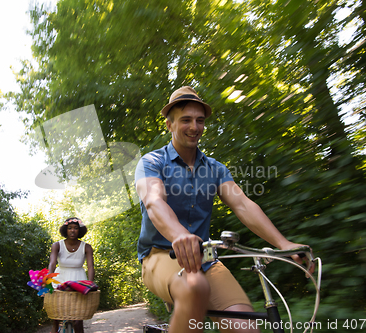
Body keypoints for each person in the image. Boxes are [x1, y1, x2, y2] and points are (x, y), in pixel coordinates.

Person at [134, 86, 314, 333]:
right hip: (159, 255)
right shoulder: (152, 162)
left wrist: (283, 244)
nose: (194, 127)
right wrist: (179, 235)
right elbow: (154, 201)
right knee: (195, 286)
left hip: (205, 258)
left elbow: (243, 204)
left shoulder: (215, 169)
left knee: (247, 328)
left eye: (200, 120)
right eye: (186, 120)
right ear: (169, 125)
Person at [48, 217, 94, 333]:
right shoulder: (57, 245)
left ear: (80, 230)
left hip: (79, 279)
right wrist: (47, 280)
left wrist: (90, 284)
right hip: (60, 277)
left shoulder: (86, 247)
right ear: (65, 230)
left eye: (75, 228)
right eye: (69, 228)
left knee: (79, 318)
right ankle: (55, 327)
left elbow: (90, 266)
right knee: (56, 313)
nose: (72, 231)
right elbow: (52, 263)